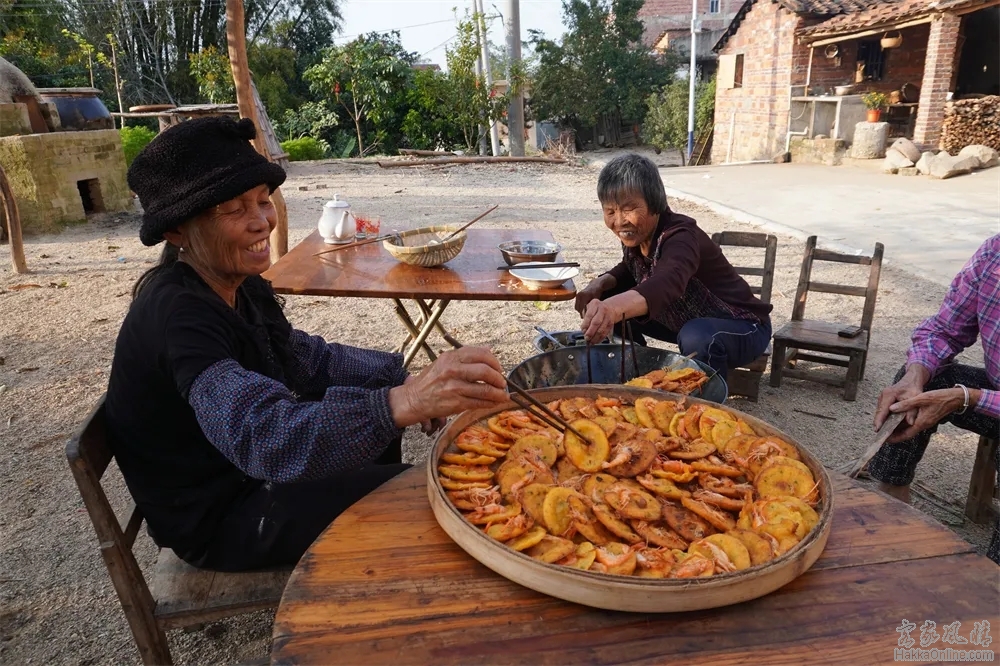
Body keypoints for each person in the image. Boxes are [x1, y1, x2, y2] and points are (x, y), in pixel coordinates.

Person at [105, 117, 509, 572]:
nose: (261, 222)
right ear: (177, 230)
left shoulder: (239, 282)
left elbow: (307, 359)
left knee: (374, 434)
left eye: (263, 201)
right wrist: (404, 401)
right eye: (235, 210)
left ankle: (363, 570)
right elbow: (264, 435)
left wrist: (403, 378)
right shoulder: (180, 318)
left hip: (243, 479)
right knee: (417, 494)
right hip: (221, 514)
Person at [575, 153, 772, 380]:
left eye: (629, 209)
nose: (619, 222)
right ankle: (632, 372)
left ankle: (704, 403)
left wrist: (611, 308)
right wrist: (599, 284)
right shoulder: (638, 236)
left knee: (696, 336)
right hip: (686, 322)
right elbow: (631, 268)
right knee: (611, 294)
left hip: (743, 327)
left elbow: (667, 279)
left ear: (655, 202)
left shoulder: (682, 236)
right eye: (610, 211)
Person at [871, 234, 999, 564]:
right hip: (993, 391)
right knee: (917, 384)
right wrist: (916, 376)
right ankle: (892, 496)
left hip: (988, 397)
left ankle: (992, 582)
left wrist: (967, 398)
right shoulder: (994, 252)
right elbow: (944, 331)